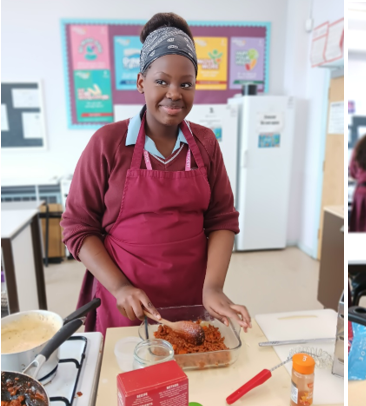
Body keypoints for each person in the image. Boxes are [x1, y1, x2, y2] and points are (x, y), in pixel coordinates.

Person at [61, 13, 250, 335]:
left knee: (189, 376)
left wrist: (214, 288)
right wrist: (120, 287)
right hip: (126, 300)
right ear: (140, 83)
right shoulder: (108, 143)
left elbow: (221, 220)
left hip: (192, 294)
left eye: (186, 84)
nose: (174, 93)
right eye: (162, 81)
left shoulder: (205, 143)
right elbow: (78, 227)